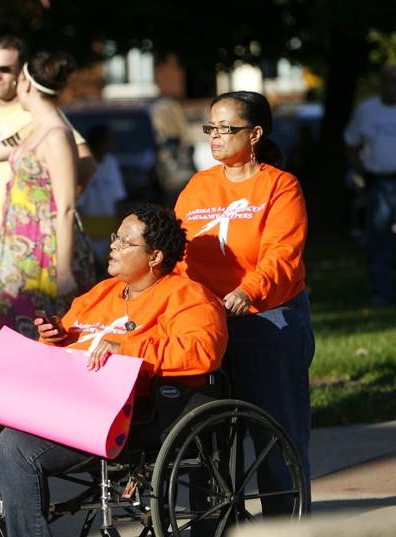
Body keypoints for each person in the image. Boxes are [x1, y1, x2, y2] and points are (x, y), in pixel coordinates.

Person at [0, 204, 228, 537]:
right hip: (77, 406)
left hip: (137, 419)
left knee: (16, 448)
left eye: (125, 242)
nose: (114, 246)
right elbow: (72, 350)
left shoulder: (189, 298)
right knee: (11, 443)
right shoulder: (101, 294)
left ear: (155, 256)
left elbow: (202, 353)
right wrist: (55, 339)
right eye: (116, 237)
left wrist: (127, 350)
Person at [0, 36, 95, 450]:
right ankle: (16, 444)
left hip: (47, 259)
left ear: (27, 82)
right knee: (14, 351)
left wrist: (65, 271)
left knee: (51, 350)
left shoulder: (55, 134)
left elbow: (66, 207)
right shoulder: (35, 131)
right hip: (19, 258)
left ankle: (55, 441)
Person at [174, 90, 315, 514]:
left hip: (266, 318)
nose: (215, 137)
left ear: (254, 134)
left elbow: (282, 255)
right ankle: (214, 520)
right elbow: (176, 249)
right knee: (205, 434)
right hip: (206, 321)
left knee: (274, 432)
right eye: (210, 128)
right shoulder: (200, 185)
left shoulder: (279, 186)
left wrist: (247, 291)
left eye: (226, 128)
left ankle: (284, 520)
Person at [344, 63, 396, 306]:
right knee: (379, 238)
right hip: (379, 180)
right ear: (381, 83)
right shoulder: (367, 111)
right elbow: (351, 142)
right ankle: (382, 293)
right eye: (389, 81)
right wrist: (360, 173)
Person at [77, 124, 127, 268]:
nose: (113, 143)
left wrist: (119, 232)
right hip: (88, 227)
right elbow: (78, 203)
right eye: (109, 139)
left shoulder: (111, 163)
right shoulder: (84, 164)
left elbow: (118, 198)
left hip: (108, 229)